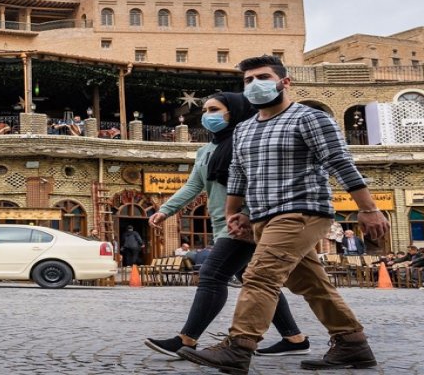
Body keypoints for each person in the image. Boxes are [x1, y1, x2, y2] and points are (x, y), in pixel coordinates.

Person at [179, 55, 389, 373]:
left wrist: (369, 209)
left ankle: (239, 347)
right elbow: (238, 175)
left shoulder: (308, 118)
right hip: (264, 217)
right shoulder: (246, 129)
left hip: (303, 211)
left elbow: (340, 162)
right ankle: (352, 345)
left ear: (284, 82)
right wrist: (235, 213)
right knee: (312, 284)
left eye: (262, 77)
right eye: (248, 80)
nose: (254, 85)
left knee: (260, 276)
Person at [146, 92, 309, 360]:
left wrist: (245, 214)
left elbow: (258, 183)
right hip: (223, 224)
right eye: (206, 110)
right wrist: (165, 210)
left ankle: (187, 339)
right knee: (257, 280)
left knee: (212, 275)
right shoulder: (205, 151)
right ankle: (294, 338)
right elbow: (194, 186)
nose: (207, 115)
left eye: (215, 109)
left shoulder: (247, 142)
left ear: (233, 111)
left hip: (246, 224)